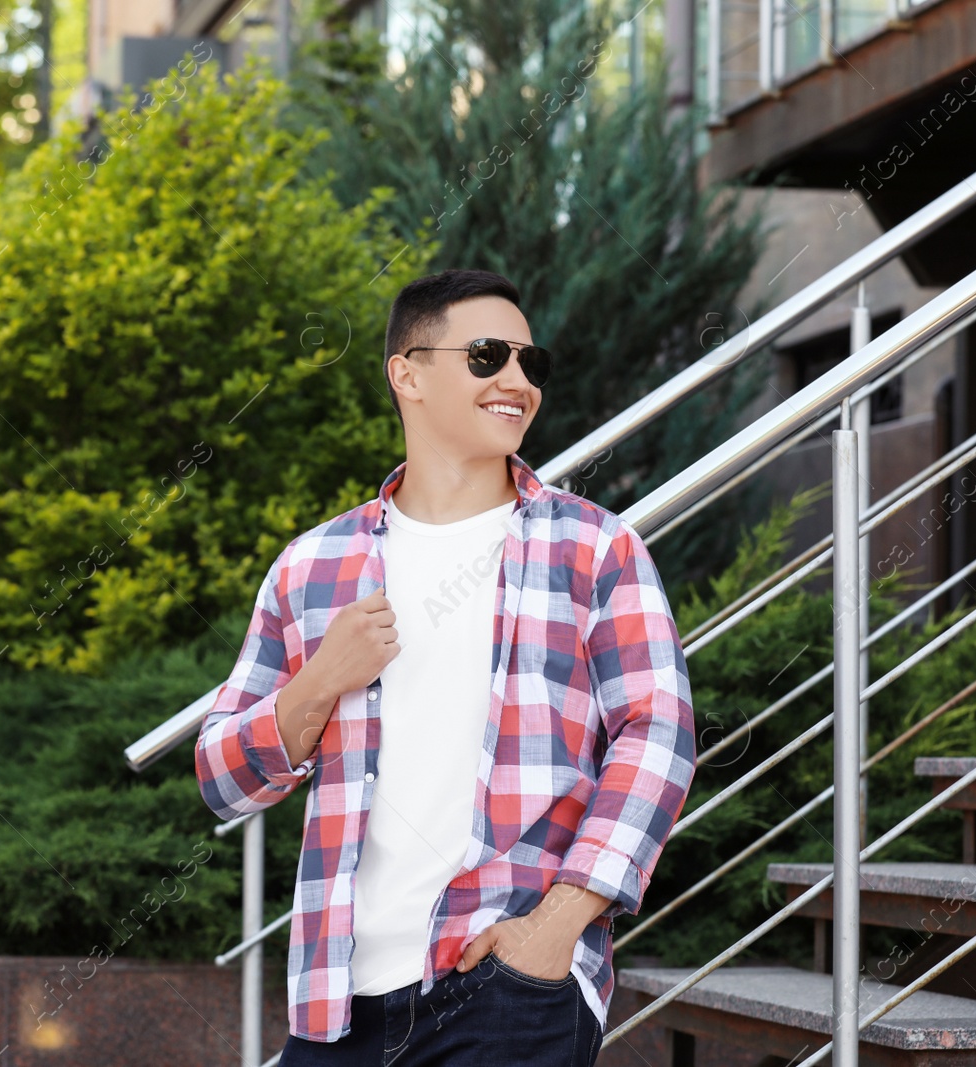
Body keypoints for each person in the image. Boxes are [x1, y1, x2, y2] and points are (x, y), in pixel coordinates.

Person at [196, 268, 696, 1066]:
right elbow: (225, 777)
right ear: (408, 373)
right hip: (337, 1000)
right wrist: (321, 679)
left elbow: (656, 736)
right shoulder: (312, 565)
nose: (516, 382)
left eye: (533, 364)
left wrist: (555, 928)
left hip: (507, 982)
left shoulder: (596, 548)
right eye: (488, 355)